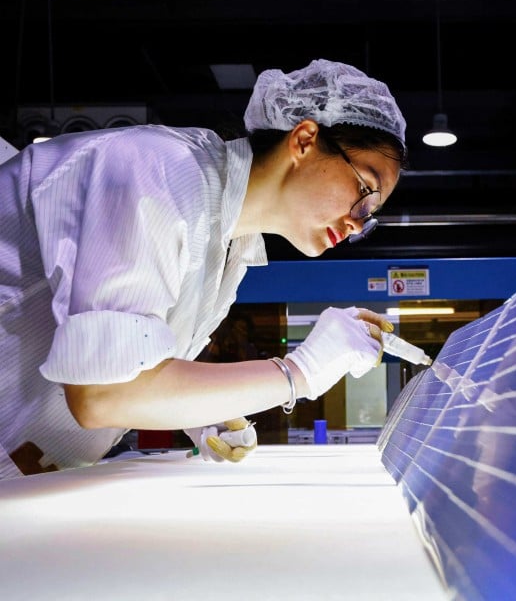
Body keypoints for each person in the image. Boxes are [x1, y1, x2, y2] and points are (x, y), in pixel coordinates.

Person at [0, 59, 407, 478]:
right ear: (304, 140)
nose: (358, 222)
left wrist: (199, 410)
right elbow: (104, 394)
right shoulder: (159, 171)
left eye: (370, 215)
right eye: (364, 191)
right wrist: (299, 371)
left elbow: (142, 370)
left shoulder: (231, 248)